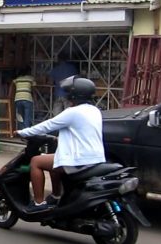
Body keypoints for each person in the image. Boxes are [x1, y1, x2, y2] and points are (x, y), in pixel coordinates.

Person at [13, 76, 106, 213]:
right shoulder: (95, 111)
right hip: (95, 159)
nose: (68, 97)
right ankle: (56, 196)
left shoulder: (72, 113)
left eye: (69, 93)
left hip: (79, 161)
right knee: (55, 159)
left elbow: (47, 125)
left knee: (35, 162)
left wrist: (23, 132)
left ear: (75, 95)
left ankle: (39, 203)